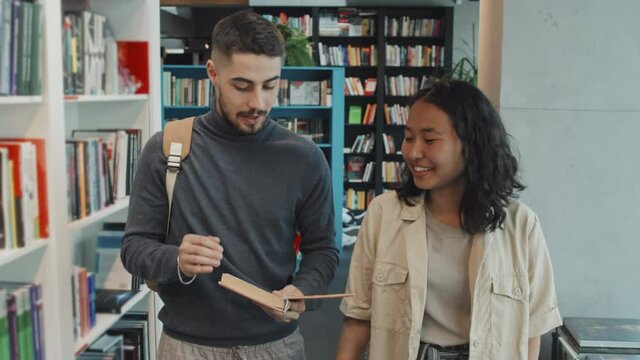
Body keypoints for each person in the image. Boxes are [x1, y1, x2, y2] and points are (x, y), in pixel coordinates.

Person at [120, 10, 339, 360]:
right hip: (186, 347)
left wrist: (303, 289)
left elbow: (324, 251)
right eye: (242, 85)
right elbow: (134, 248)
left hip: (276, 347)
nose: (258, 102)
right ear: (212, 73)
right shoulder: (168, 149)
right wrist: (176, 258)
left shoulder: (305, 158)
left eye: (270, 85)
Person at [335, 80, 562, 360]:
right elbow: (358, 319)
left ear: (471, 145)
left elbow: (531, 331)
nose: (414, 152)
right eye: (408, 138)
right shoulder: (384, 215)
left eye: (430, 140)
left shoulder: (521, 225)